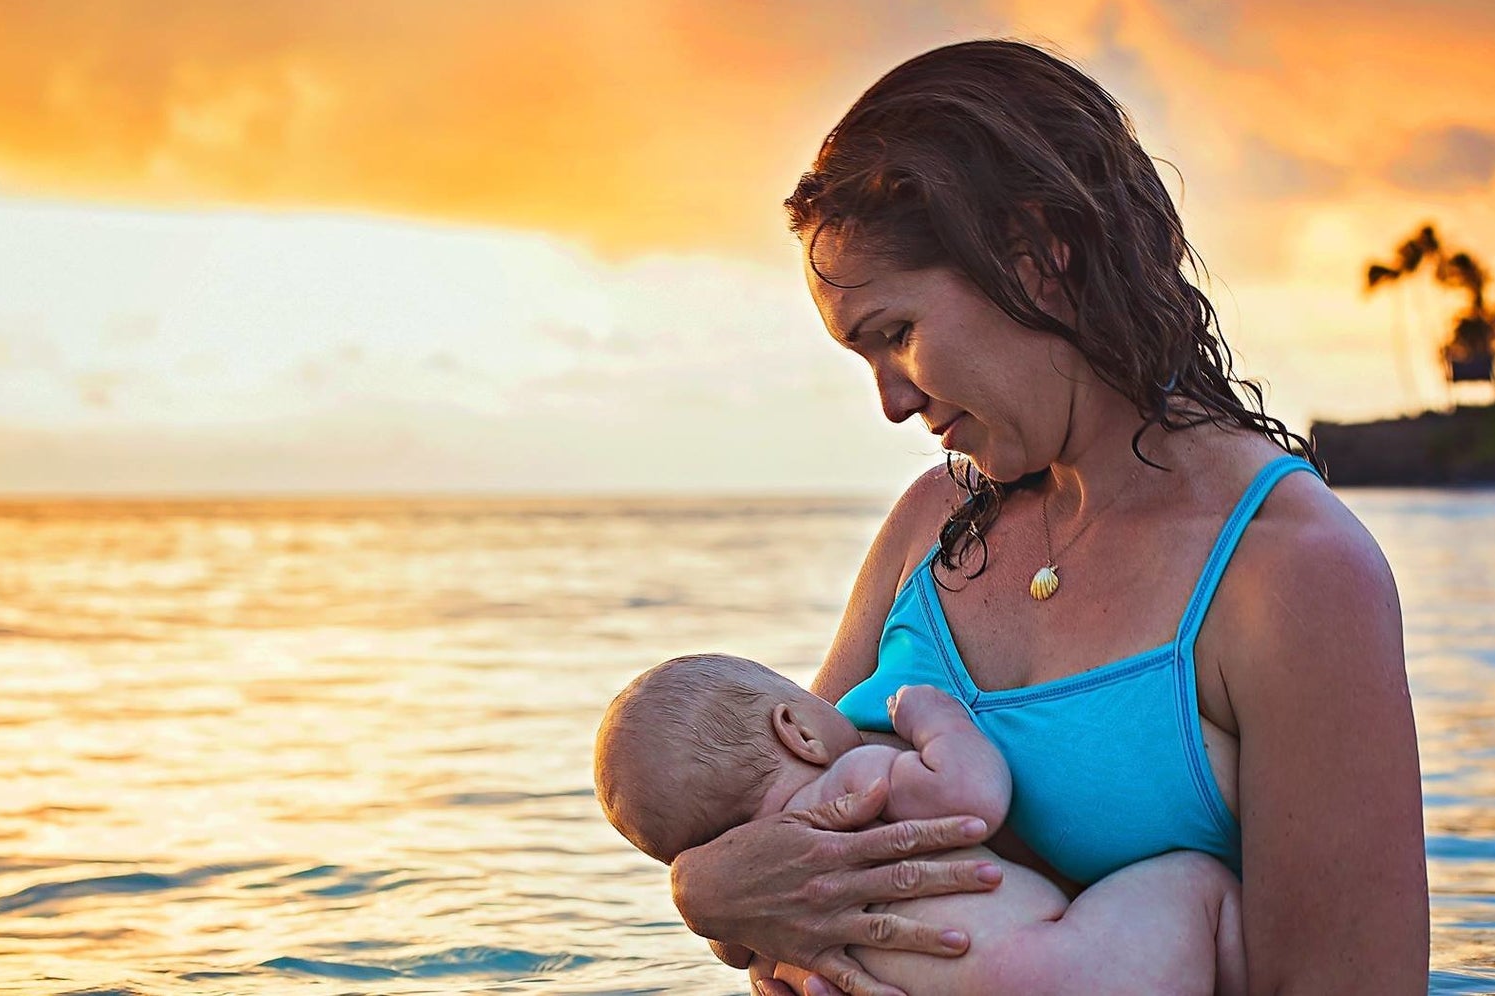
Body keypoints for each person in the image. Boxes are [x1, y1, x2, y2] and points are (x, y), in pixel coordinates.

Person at [665, 39, 1429, 996]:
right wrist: (709, 890)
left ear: (1036, 256)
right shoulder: (928, 525)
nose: (892, 404)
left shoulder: (1293, 572)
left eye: (896, 335)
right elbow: (776, 789)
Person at [596, 653, 1247, 995]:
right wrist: (933, 718)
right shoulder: (851, 783)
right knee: (1197, 883)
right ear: (795, 729)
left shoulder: (764, 924)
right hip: (1048, 968)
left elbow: (736, 952)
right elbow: (975, 797)